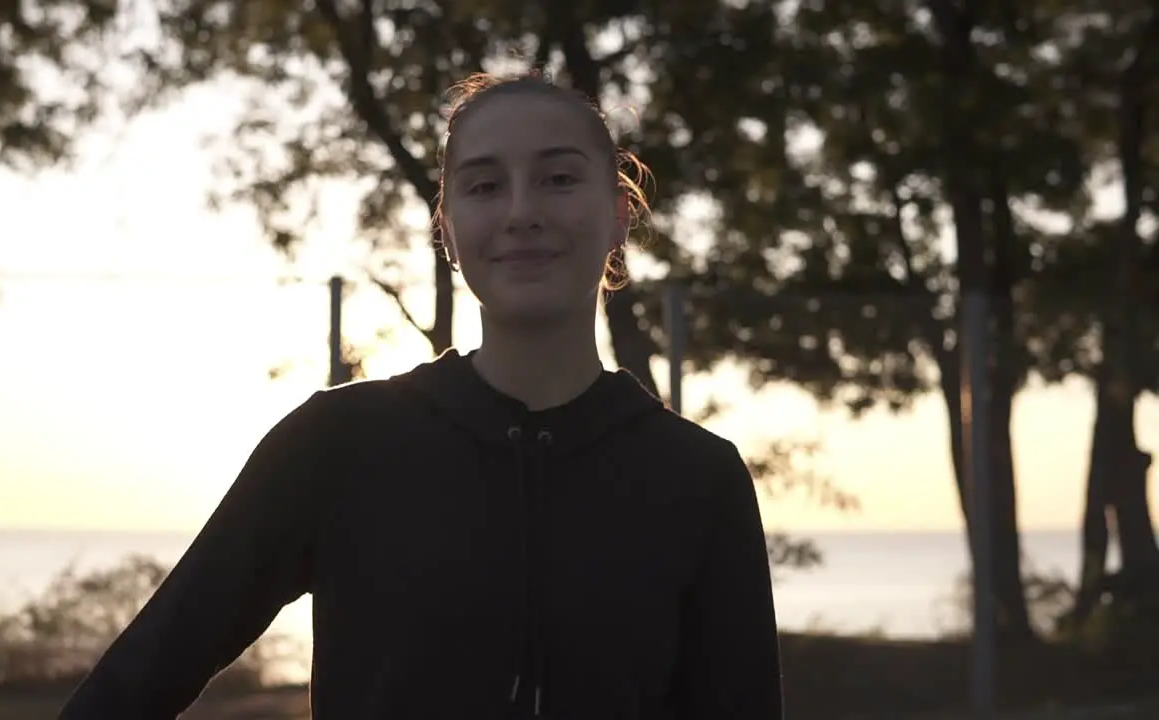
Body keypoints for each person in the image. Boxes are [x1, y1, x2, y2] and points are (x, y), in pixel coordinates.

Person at [58, 70, 782, 720]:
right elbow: (135, 683)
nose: (521, 211)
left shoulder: (698, 480)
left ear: (620, 213)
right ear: (447, 228)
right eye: (484, 185)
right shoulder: (336, 445)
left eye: (559, 179)